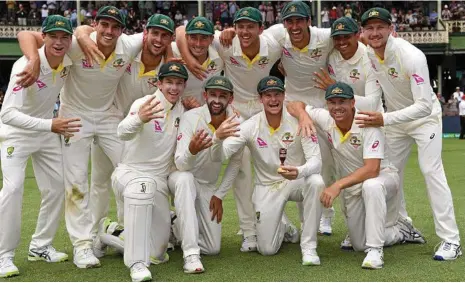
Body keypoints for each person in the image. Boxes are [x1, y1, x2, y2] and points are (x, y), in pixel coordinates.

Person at [16, 6, 143, 268]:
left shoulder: (128, 45)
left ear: (122, 30)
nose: (109, 31)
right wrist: (33, 59)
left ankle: (135, 233)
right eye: (103, 25)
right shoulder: (74, 43)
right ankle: (82, 246)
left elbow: (167, 36)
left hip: (109, 117)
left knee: (132, 171)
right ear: (95, 25)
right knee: (75, 182)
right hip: (74, 117)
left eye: (114, 26)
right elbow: (25, 34)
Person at [357, 7, 461, 260]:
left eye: (380, 27)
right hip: (394, 120)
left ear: (392, 29)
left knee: (430, 170)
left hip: (425, 120)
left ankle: (451, 240)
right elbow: (371, 96)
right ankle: (403, 226)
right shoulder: (369, 53)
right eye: (369, 28)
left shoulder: (411, 56)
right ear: (363, 32)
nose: (375, 32)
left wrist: (384, 118)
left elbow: (424, 105)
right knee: (390, 173)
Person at [176, 7, 283, 252]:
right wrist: (190, 59)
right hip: (235, 112)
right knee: (243, 168)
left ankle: (277, 222)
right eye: (240, 26)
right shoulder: (225, 43)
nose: (244, 32)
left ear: (260, 28)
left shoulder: (273, 44)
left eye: (250, 26)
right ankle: (248, 232)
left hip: (264, 110)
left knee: (274, 168)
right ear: (234, 26)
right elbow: (182, 30)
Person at [288, 82, 426, 269]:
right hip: (352, 185)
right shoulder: (326, 118)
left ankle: (376, 251)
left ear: (353, 102)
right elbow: (294, 104)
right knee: (359, 243)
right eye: (332, 102)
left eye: (342, 102)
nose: (337, 107)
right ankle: (399, 231)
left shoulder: (366, 122)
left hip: (383, 177)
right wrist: (304, 116)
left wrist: (337, 185)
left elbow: (372, 169)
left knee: (371, 186)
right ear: (327, 104)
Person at [0, 15, 81, 278]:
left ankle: (40, 246)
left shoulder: (67, 62)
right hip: (17, 133)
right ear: (43, 37)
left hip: (46, 130)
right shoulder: (24, 66)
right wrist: (50, 126)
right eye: (53, 36)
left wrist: (49, 127)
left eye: (64, 37)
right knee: (12, 189)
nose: (59, 42)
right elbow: (7, 115)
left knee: (56, 188)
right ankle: (4, 256)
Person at [214, 76, 325, 265]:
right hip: (267, 186)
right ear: (260, 99)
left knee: (316, 182)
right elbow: (223, 153)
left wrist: (299, 171)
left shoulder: (300, 120)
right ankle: (286, 226)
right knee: (267, 250)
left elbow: (317, 162)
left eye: (277, 95)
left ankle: (309, 248)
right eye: (268, 95)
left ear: (284, 96)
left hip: (296, 180)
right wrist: (216, 138)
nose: (273, 100)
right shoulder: (250, 126)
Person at [88, 14, 175, 241]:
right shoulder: (127, 50)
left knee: (133, 178)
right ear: (144, 33)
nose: (158, 40)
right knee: (100, 180)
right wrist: (81, 33)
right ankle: (95, 235)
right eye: (154, 33)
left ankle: (130, 231)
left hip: (145, 133)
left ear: (170, 41)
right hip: (113, 123)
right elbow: (84, 33)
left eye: (165, 36)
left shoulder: (169, 66)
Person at [109, 62, 187, 282]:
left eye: (179, 83)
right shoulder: (144, 103)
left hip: (158, 182)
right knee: (141, 188)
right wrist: (138, 119)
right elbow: (122, 132)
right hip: (130, 174)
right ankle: (137, 264)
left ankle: (111, 234)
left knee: (158, 253)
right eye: (169, 82)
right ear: (159, 83)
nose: (174, 88)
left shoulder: (181, 108)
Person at [168, 76, 243, 273]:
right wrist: (192, 150)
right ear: (205, 95)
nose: (217, 100)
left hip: (207, 185)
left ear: (231, 99)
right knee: (186, 179)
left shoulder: (236, 123)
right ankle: (191, 254)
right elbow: (181, 165)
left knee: (212, 248)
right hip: (180, 178)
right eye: (212, 95)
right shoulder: (190, 117)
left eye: (222, 96)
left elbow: (233, 162)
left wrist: (219, 194)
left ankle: (174, 225)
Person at [172, 16, 224, 107]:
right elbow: (180, 30)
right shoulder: (174, 53)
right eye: (193, 37)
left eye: (204, 38)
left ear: (211, 39)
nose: (198, 44)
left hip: (208, 113)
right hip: (178, 112)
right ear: (186, 37)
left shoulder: (220, 56)